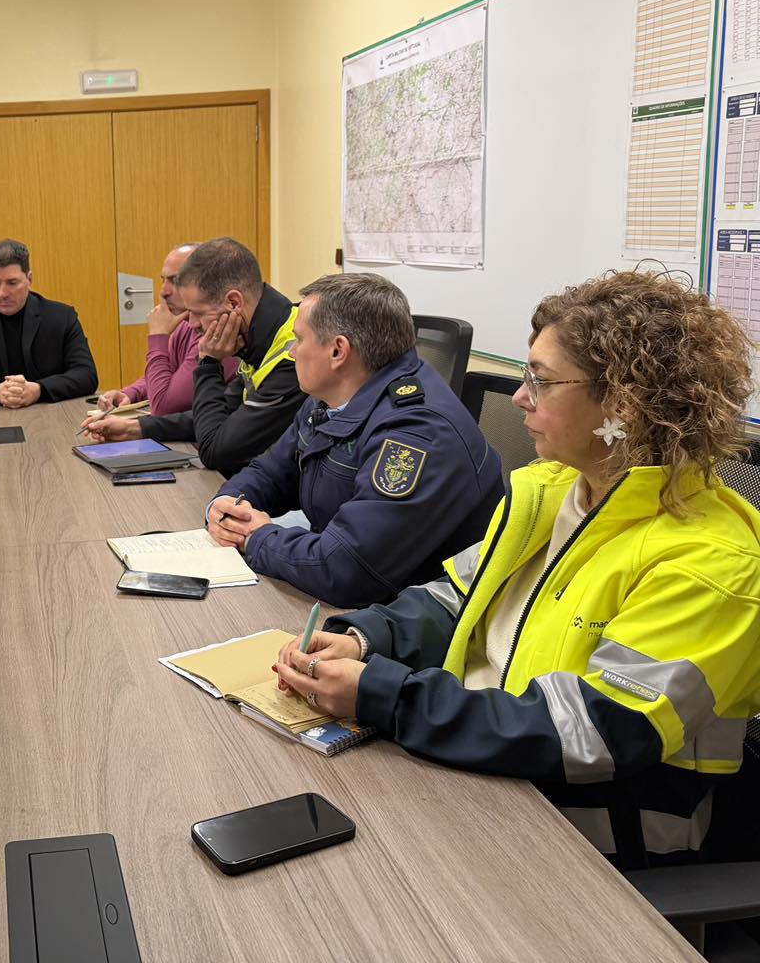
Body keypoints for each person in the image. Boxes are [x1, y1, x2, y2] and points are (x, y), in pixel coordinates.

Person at [274, 271, 760, 866]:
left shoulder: (711, 562)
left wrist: (385, 696)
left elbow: (594, 735)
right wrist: (364, 638)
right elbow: (457, 596)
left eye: (541, 380)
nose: (520, 398)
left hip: (586, 832)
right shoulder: (554, 491)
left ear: (624, 403)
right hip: (483, 763)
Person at [207, 273, 502, 607]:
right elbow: (271, 472)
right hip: (349, 587)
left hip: (409, 615)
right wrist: (227, 505)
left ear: (338, 351)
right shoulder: (329, 397)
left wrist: (256, 537)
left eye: (299, 340)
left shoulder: (416, 434)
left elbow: (346, 570)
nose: (292, 352)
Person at [83, 238, 306, 476]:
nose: (191, 323)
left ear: (233, 303)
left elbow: (215, 451)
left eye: (198, 313)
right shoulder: (258, 337)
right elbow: (225, 415)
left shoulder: (295, 356)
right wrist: (133, 428)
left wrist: (209, 363)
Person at [0, 238, 98, 407]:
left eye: (12, 283)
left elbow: (86, 375)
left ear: (29, 279)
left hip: (49, 413)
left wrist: (38, 390)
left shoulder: (62, 317)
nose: (2, 293)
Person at [94, 243, 239, 415]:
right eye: (163, 280)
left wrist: (158, 335)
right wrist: (130, 393)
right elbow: (168, 376)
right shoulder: (185, 323)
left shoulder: (218, 329)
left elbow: (163, 407)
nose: (163, 292)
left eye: (175, 281)